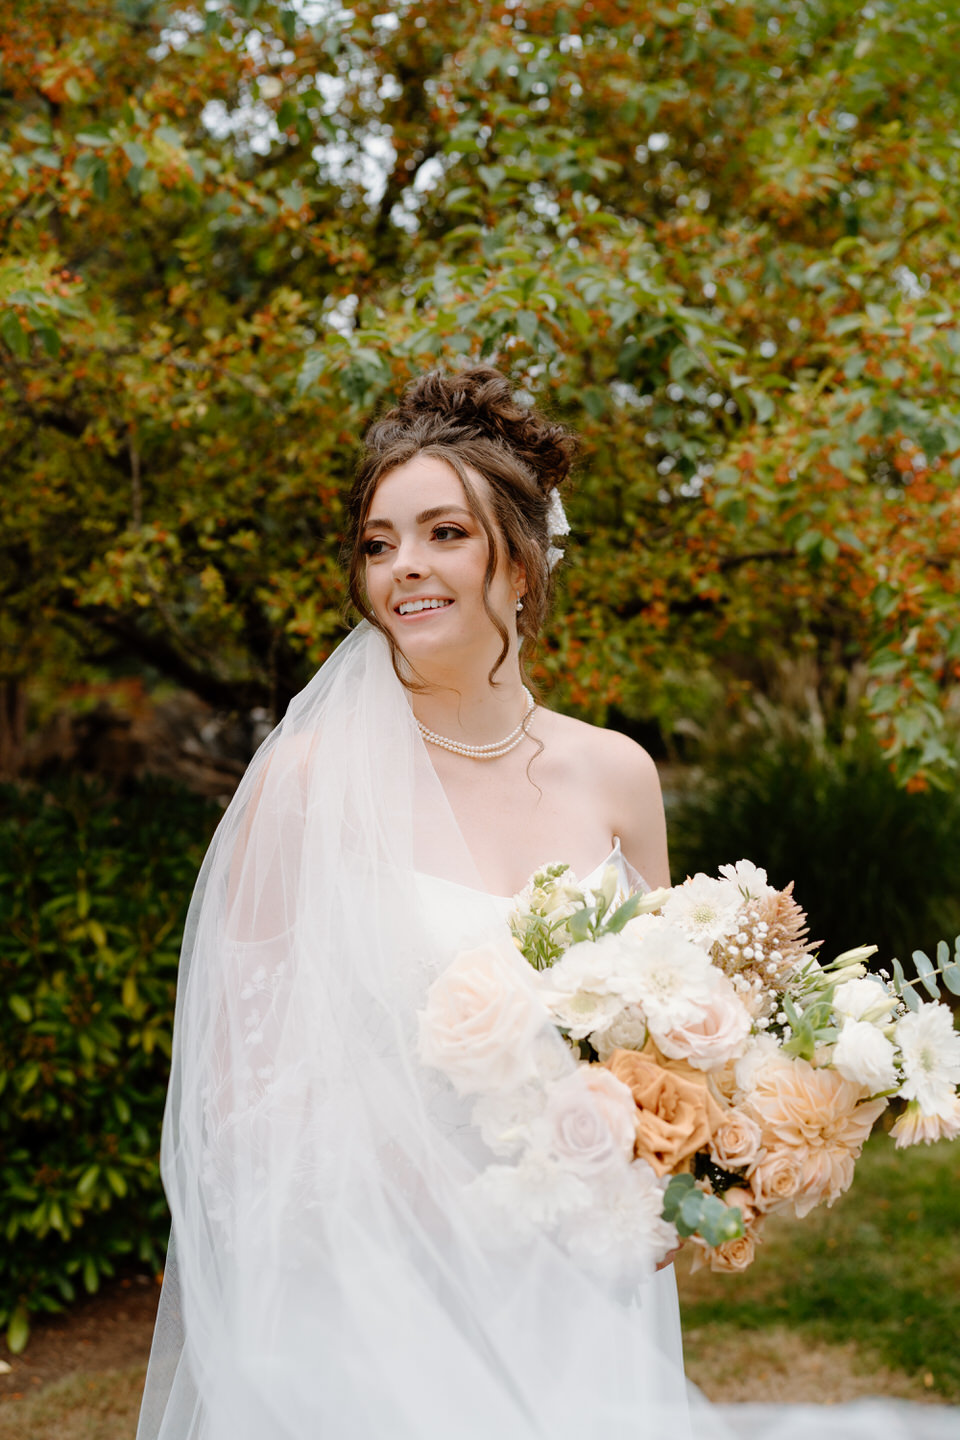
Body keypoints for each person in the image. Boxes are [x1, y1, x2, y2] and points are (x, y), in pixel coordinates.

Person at [136, 365, 728, 1440]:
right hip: (375, 1285)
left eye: (443, 533)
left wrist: (683, 1161)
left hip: (583, 1272)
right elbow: (237, 1076)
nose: (403, 565)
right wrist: (404, 1210)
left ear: (523, 561)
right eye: (378, 542)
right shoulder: (309, 777)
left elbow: (662, 1041)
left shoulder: (617, 776)